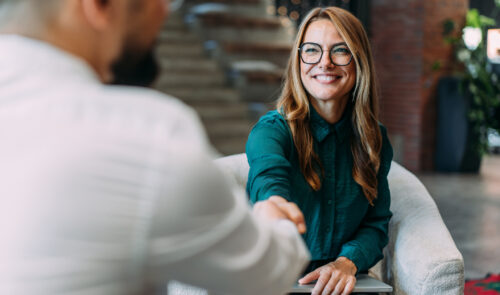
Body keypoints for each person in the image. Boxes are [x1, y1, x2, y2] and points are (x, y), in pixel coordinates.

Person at [0, 0, 310, 294]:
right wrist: (276, 220)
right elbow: (266, 275)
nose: (165, 12)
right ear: (99, 5)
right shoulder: (145, 136)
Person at [246, 6, 393, 295]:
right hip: (278, 282)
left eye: (340, 50)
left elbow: (376, 224)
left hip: (347, 284)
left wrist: (346, 262)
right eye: (312, 50)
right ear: (298, 60)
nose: (324, 63)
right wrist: (274, 203)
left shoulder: (374, 138)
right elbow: (268, 175)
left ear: (359, 60)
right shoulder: (272, 131)